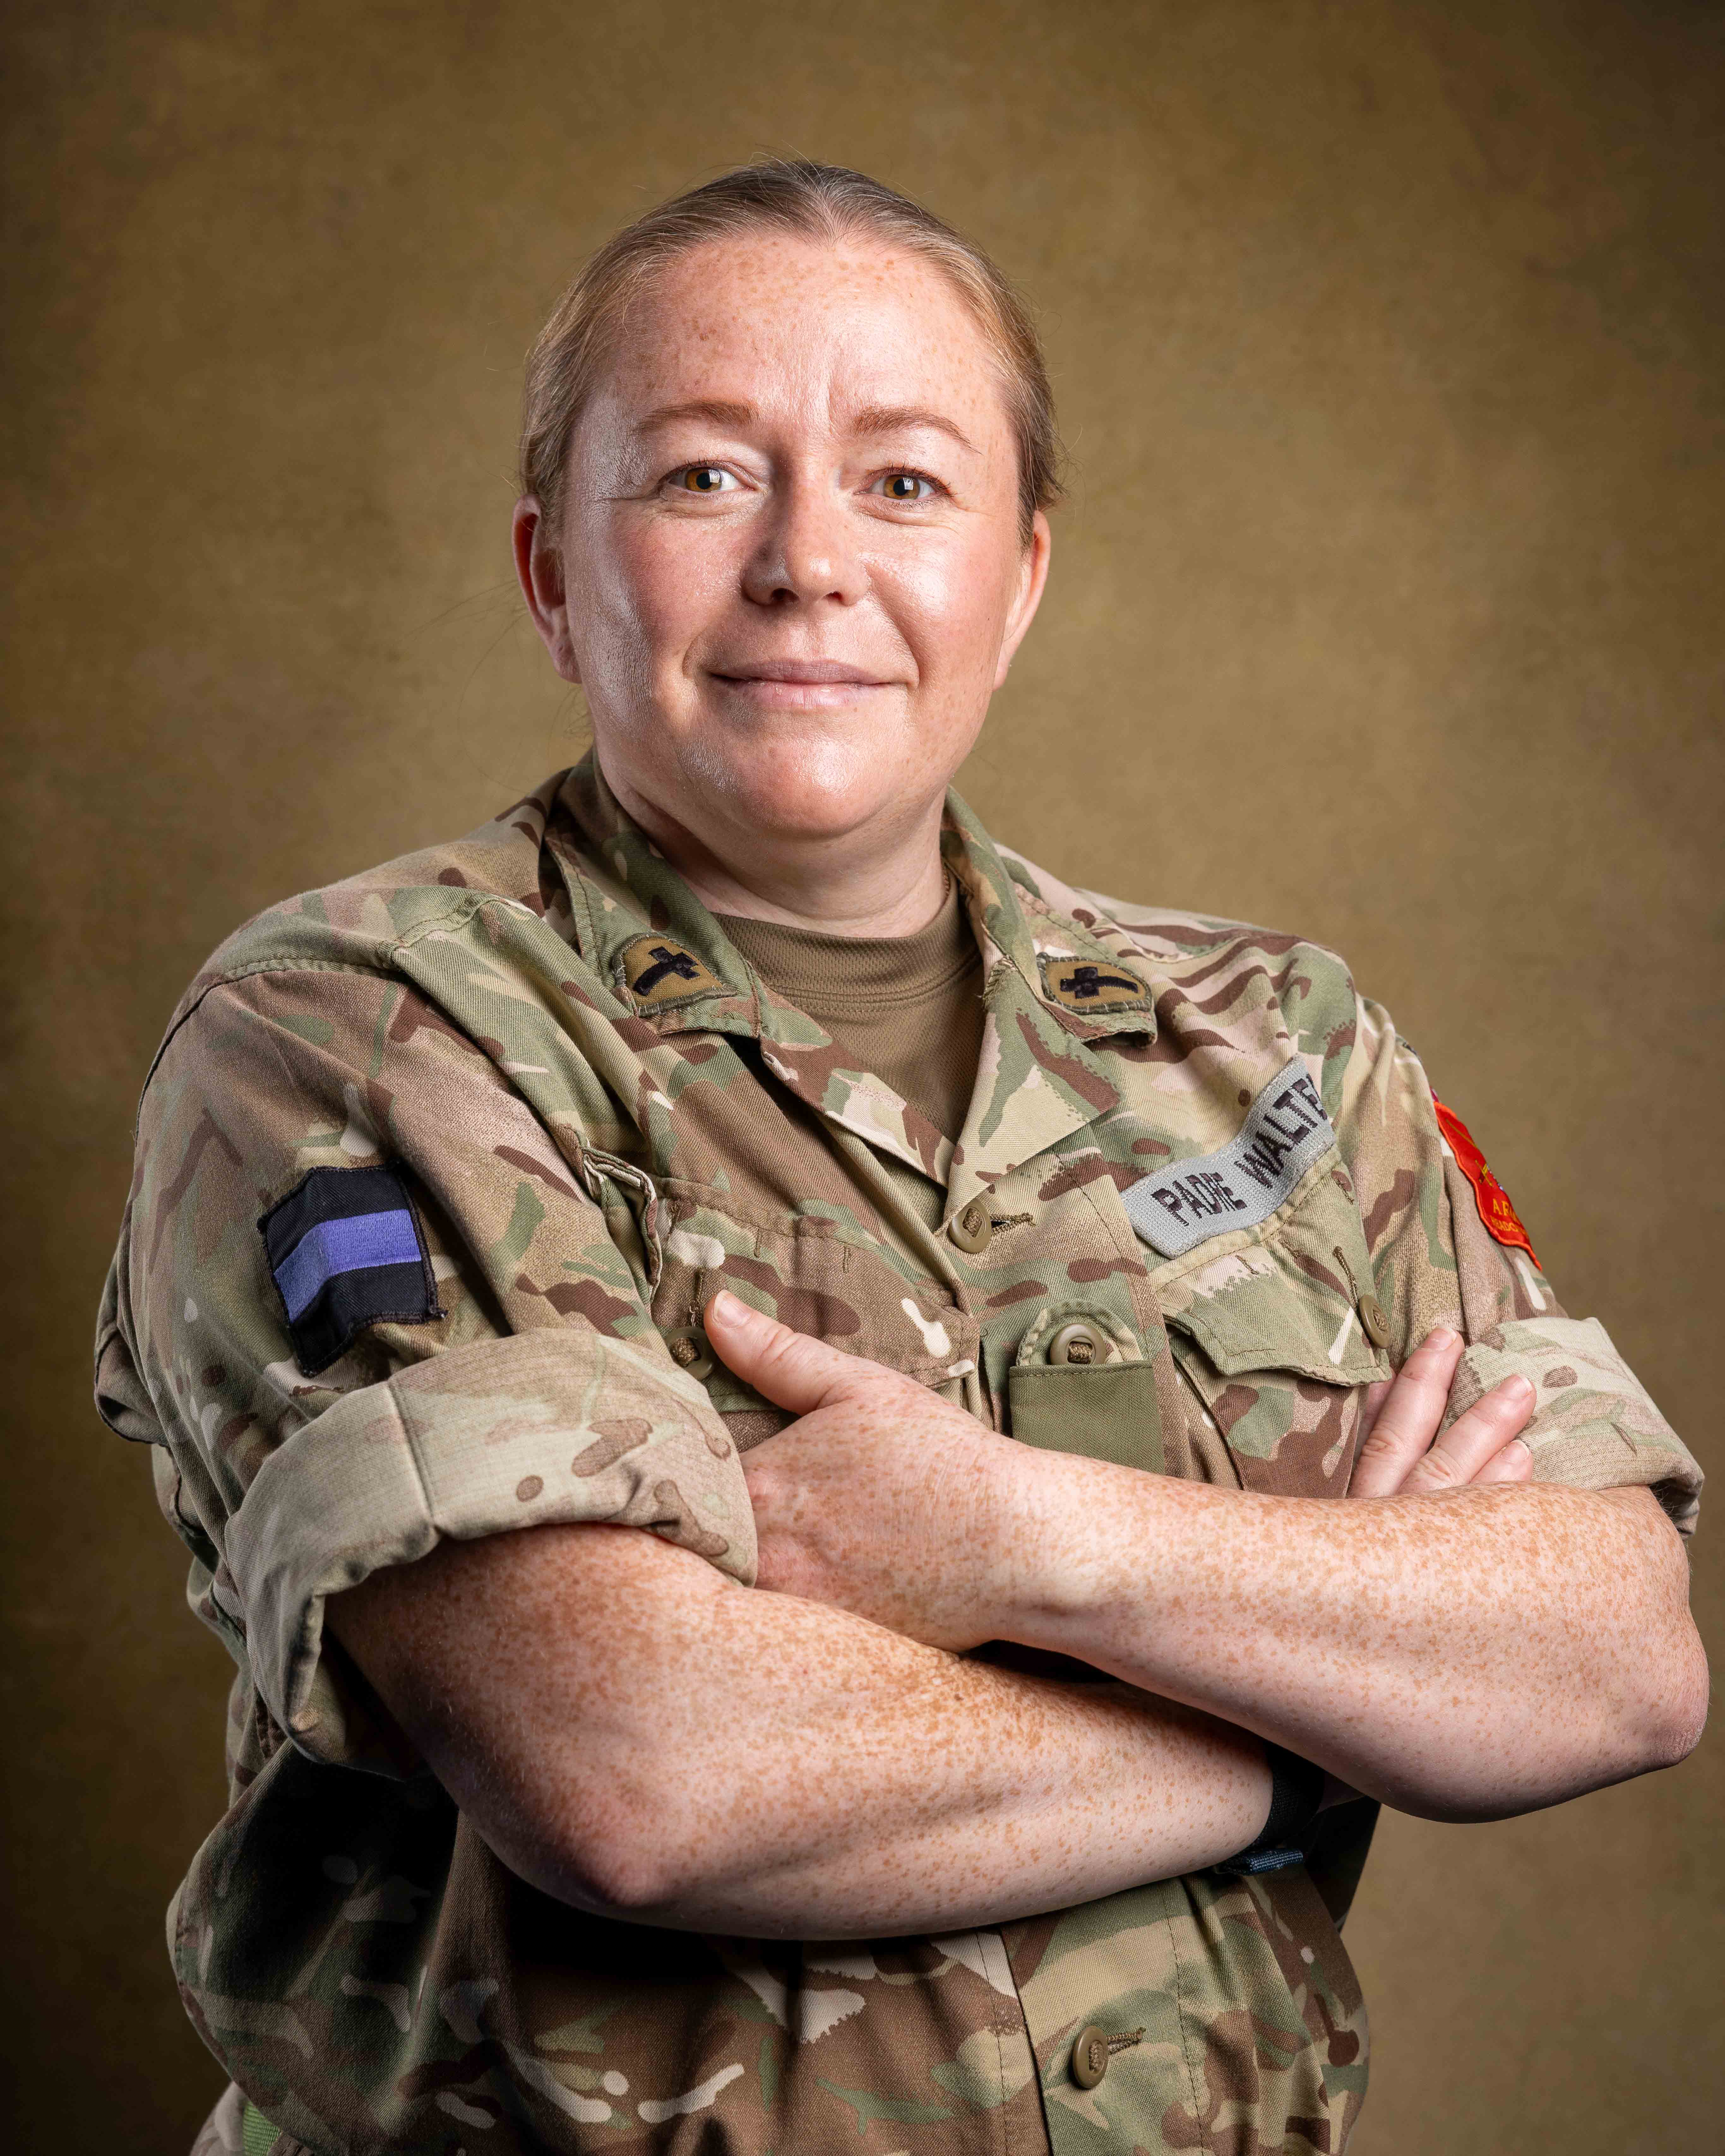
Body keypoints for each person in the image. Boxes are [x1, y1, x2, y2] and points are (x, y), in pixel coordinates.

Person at [97, 160, 1705, 2156]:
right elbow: (639, 1770)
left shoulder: (1275, 1046)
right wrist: (1311, 1709)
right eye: (701, 477)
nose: (806, 565)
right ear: (546, 574)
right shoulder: (360, 1034)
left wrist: (1016, 1537)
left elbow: (1612, 1659)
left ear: (1017, 579)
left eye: (906, 484)